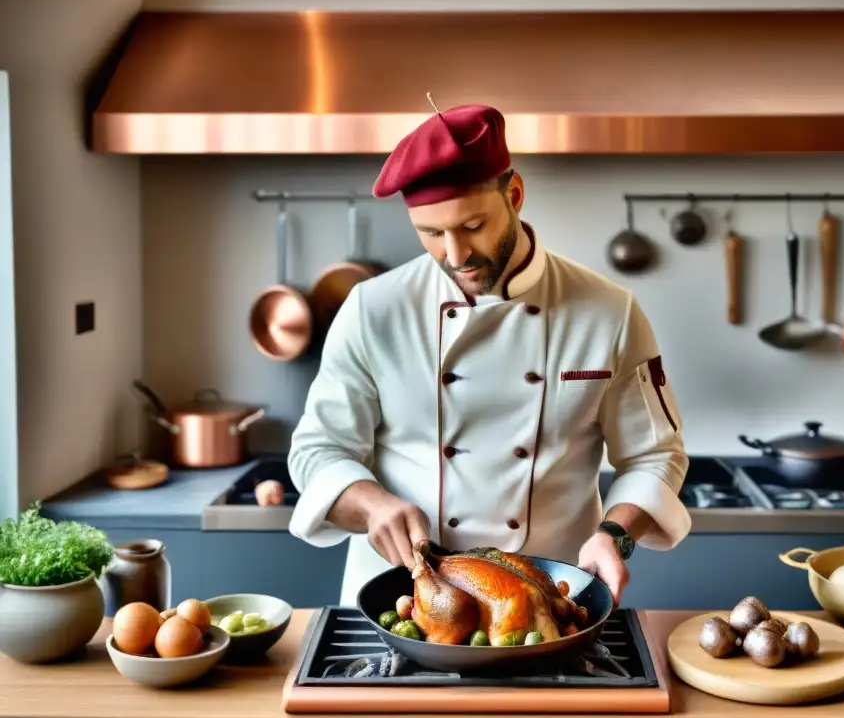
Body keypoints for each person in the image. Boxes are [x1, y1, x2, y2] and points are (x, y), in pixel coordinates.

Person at [287, 98, 692, 607]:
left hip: (552, 598)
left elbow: (655, 455)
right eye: (431, 234)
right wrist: (371, 506)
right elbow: (317, 451)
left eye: (472, 226)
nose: (455, 256)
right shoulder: (373, 309)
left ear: (515, 194)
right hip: (402, 600)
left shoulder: (608, 312)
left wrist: (616, 535)